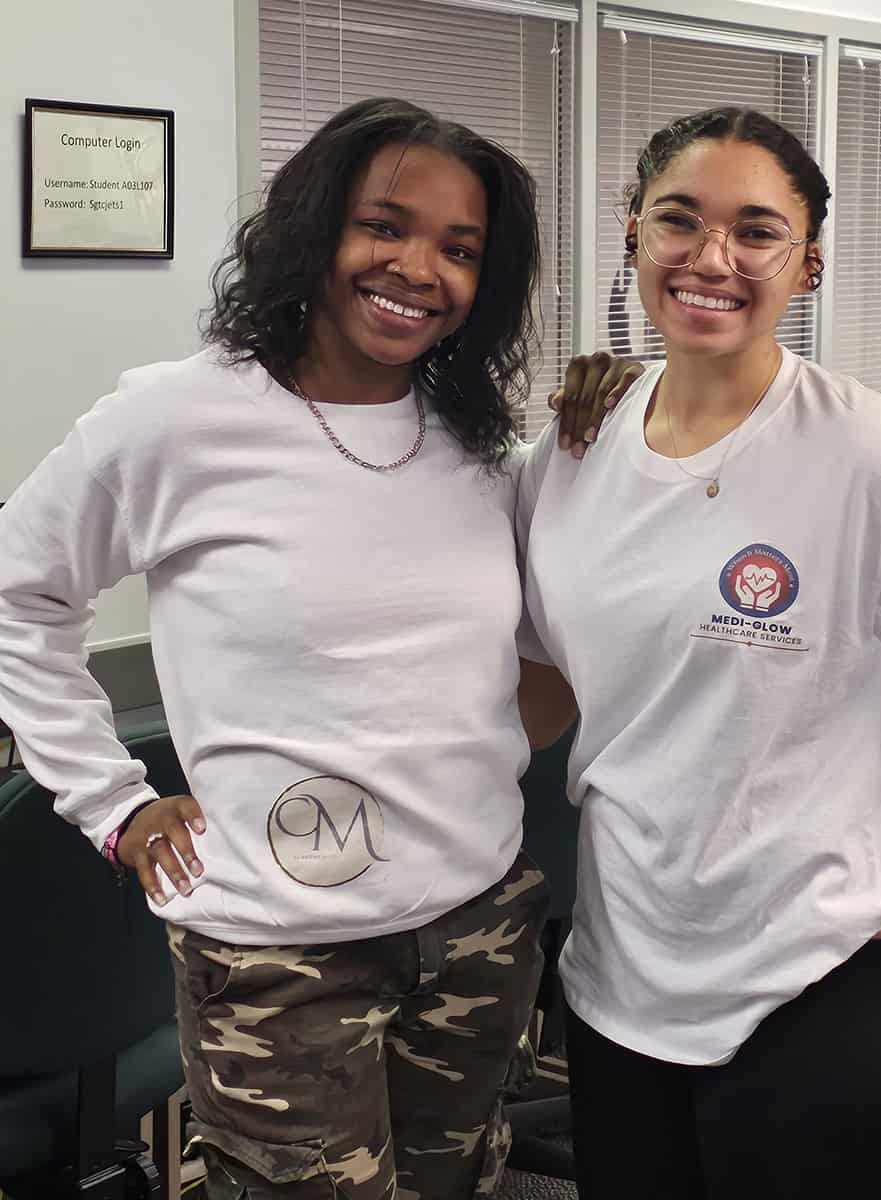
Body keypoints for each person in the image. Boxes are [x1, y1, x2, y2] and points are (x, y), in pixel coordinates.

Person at [0, 97, 638, 1200]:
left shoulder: (477, 445)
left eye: (459, 248)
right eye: (381, 225)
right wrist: (113, 802)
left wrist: (624, 415)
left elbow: (544, 649)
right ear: (311, 228)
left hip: (476, 924)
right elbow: (18, 598)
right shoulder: (174, 421)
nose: (415, 267)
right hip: (278, 957)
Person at [515, 106, 881, 1199]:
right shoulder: (570, 450)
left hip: (809, 989)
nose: (710, 258)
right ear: (631, 233)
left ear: (806, 262)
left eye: (755, 231)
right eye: (677, 219)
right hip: (614, 984)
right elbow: (545, 684)